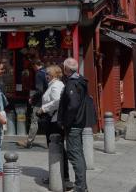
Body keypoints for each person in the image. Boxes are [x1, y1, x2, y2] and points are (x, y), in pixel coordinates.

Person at [57, 58, 91, 192]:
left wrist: (66, 122)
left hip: (74, 124)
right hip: (79, 121)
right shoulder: (80, 80)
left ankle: (80, 187)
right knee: (79, 154)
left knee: (74, 154)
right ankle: (83, 186)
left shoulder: (72, 83)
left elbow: (72, 105)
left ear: (66, 70)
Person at [40, 65, 70, 187]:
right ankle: (56, 174)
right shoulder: (54, 85)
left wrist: (43, 108)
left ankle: (63, 176)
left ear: (54, 74)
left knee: (57, 149)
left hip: (54, 121)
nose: (46, 76)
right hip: (53, 119)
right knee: (55, 149)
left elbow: (58, 101)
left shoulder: (56, 85)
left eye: (48, 73)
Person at [19, 60, 47, 149]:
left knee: (34, 121)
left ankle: (29, 142)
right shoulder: (46, 72)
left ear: (35, 65)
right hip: (48, 100)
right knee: (49, 122)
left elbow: (39, 90)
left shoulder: (39, 74)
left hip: (39, 101)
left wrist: (32, 98)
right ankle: (51, 143)